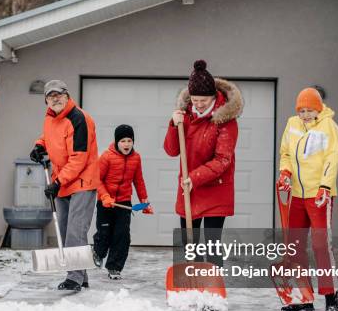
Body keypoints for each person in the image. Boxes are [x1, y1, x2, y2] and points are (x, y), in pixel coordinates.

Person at [163, 60, 243, 265]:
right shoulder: (185, 116)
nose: (198, 104)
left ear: (214, 97)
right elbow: (171, 151)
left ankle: (213, 286)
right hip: (189, 189)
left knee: (212, 243)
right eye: (195, 100)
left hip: (215, 190)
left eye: (203, 100)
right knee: (190, 243)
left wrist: (195, 177)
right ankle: (193, 280)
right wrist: (173, 124)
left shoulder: (225, 121)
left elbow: (223, 160)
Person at [29, 80, 101, 292]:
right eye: (51, 96)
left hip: (81, 181)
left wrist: (57, 182)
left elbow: (79, 158)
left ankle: (74, 279)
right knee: (64, 228)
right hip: (63, 180)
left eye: (59, 95)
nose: (55, 99)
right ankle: (82, 274)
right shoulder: (51, 117)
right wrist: (39, 145)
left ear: (67, 96)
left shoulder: (79, 119)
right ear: (46, 100)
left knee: (75, 231)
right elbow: (50, 136)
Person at [277, 87, 338, 311]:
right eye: (301, 110)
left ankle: (330, 294)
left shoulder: (328, 127)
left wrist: (325, 185)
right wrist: (285, 173)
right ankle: (304, 296)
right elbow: (285, 153)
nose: (305, 114)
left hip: (318, 195)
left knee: (321, 244)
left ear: (318, 108)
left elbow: (332, 158)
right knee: (295, 247)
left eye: (309, 110)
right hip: (296, 194)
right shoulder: (292, 124)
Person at [93, 124, 153, 280]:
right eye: (123, 141)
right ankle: (98, 253)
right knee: (104, 233)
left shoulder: (136, 158)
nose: (126, 144)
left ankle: (114, 267)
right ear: (116, 142)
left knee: (122, 236)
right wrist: (105, 196)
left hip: (124, 203)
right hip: (106, 202)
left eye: (129, 140)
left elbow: (139, 181)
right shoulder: (106, 157)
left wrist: (144, 201)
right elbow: (96, 180)